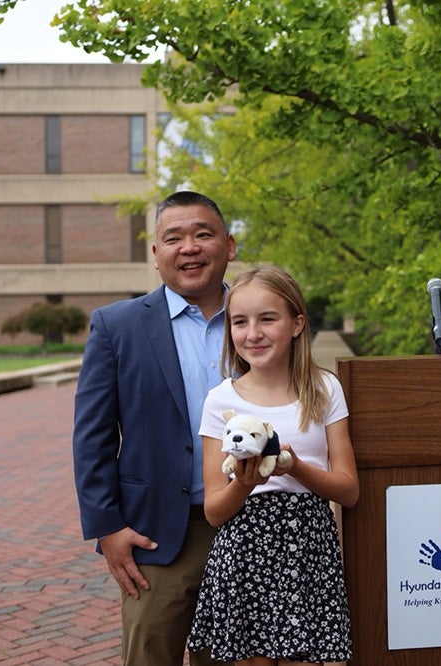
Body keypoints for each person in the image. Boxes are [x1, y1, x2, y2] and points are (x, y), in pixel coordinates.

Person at [73, 190, 236, 666]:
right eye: (174, 238)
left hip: (250, 528)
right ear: (156, 254)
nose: (189, 247)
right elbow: (92, 437)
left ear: (229, 245)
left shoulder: (260, 318)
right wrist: (107, 528)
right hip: (160, 535)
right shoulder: (116, 326)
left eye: (203, 234)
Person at [188, 265, 357, 664]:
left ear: (297, 323)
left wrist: (295, 467)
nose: (252, 334)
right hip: (244, 553)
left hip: (308, 550)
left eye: (267, 319)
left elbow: (348, 489)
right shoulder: (220, 401)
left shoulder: (324, 389)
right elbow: (214, 511)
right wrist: (244, 484)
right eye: (239, 322)